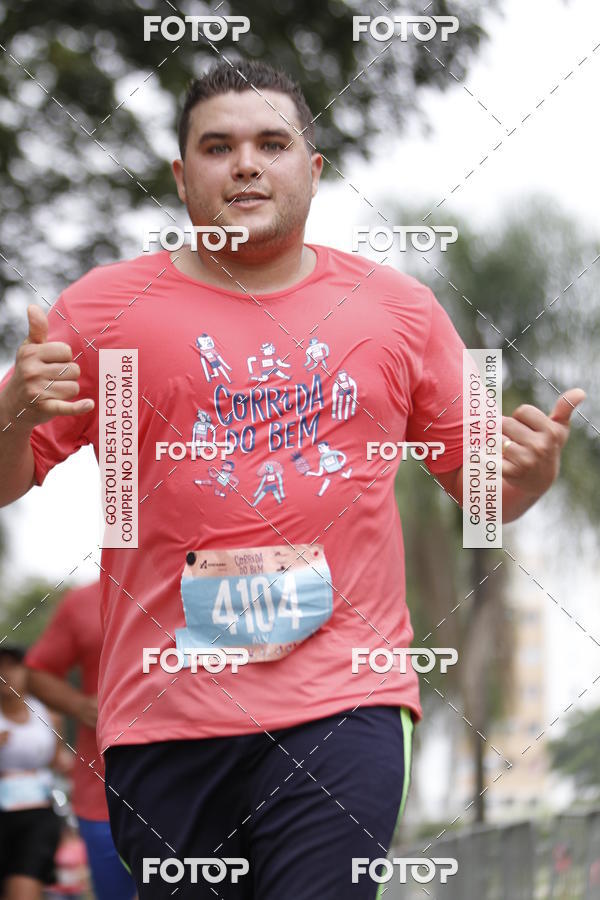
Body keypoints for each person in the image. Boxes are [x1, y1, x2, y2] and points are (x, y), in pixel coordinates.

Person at [0, 59, 585, 898]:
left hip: (343, 701)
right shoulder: (103, 310)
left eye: (272, 143)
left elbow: (484, 493)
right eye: (218, 146)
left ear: (310, 171)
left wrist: (527, 477)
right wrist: (16, 413)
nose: (245, 163)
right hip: (164, 717)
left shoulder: (400, 310)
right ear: (181, 174)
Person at [25, 581, 136, 900]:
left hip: (192, 786)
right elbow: (37, 671)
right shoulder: (84, 601)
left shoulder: (198, 580)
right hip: (102, 794)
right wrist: (79, 705)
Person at [0, 645, 63, 900]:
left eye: (12, 665)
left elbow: (60, 763)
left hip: (37, 815)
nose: (6, 673)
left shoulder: (50, 716)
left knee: (24, 888)